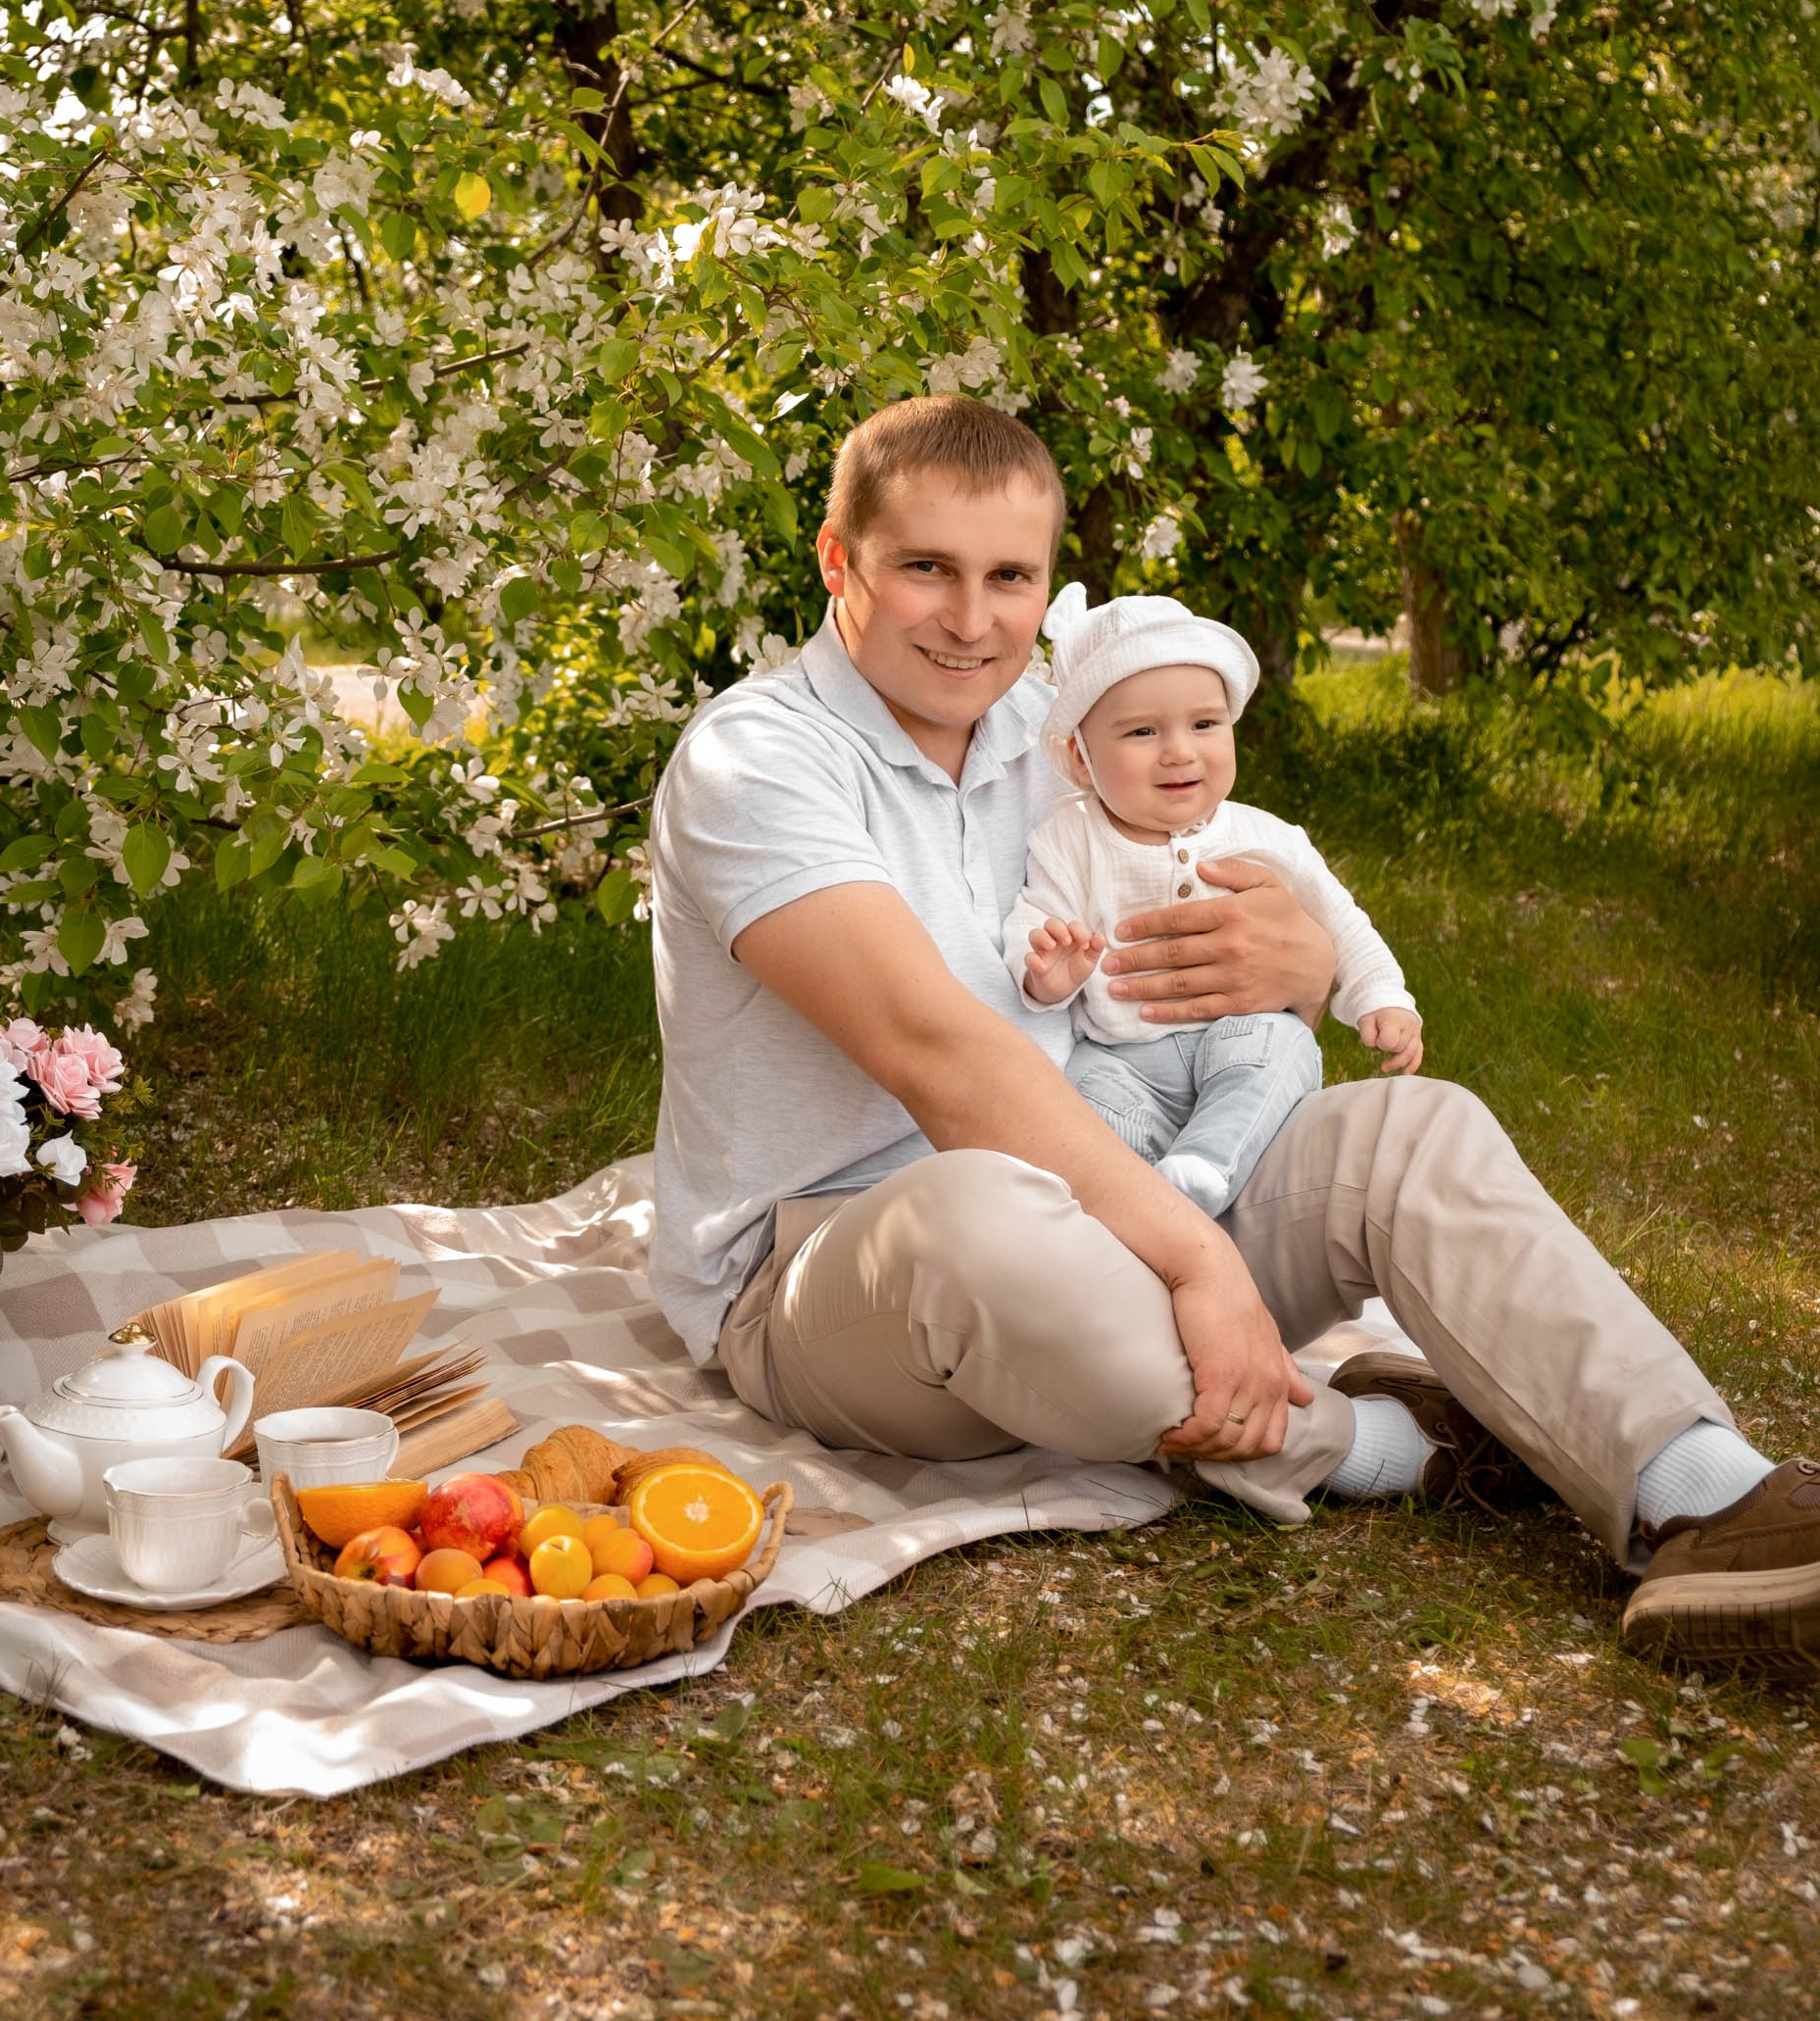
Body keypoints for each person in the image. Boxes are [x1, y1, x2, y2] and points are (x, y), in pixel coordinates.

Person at [648, 393, 1820, 1662]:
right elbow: (938, 1057)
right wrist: (1202, 1266)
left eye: (1010, 577)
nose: (973, 620)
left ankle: (1708, 1498)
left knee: (1414, 1130)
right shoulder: (755, 760)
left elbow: (1241, 896)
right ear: (840, 561)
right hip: (835, 1273)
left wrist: (1306, 965)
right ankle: (1383, 1447)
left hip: (1113, 1187)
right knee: (976, 1212)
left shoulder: (1065, 734)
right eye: (926, 567)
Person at [1007, 580, 1421, 1216]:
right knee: (1080, 1104)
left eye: (1204, 723)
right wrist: (1045, 974)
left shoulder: (1264, 836)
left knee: (1282, 1048)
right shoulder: (1069, 838)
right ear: (1082, 758)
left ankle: (1206, 1165)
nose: (1179, 750)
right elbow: (1036, 920)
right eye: (1142, 731)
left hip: (1237, 1035)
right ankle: (1137, 1199)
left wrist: (1381, 995)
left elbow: (1341, 921)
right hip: (1122, 1059)